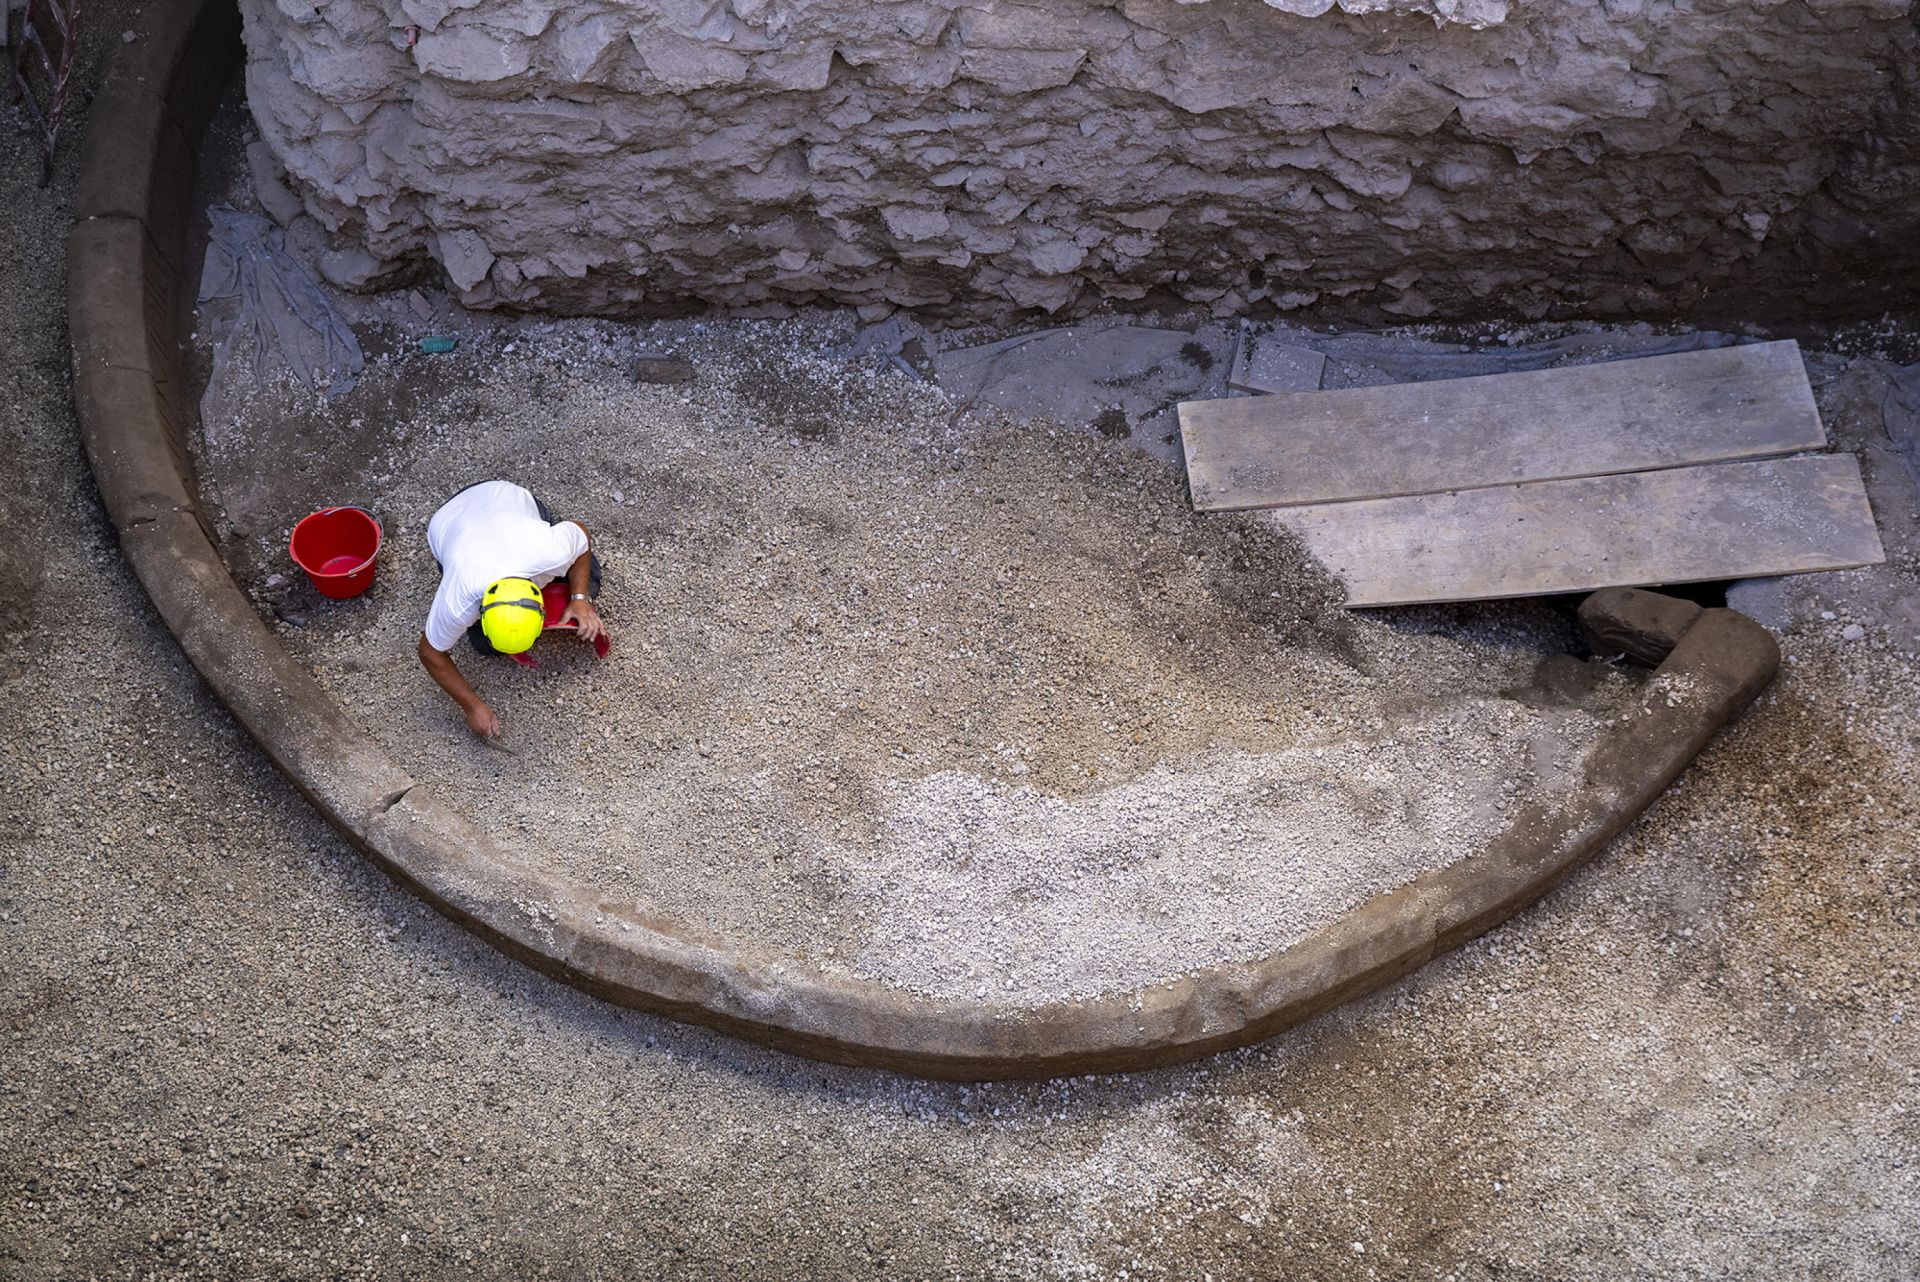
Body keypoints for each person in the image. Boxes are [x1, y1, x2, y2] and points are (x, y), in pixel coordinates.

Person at [416, 479, 608, 738]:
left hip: (505, 496)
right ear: (480, 612)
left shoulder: (550, 553)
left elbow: (581, 532)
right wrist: (472, 707)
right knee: (484, 645)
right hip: (448, 521)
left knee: (590, 583)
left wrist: (581, 599)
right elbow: (430, 652)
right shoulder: (458, 597)